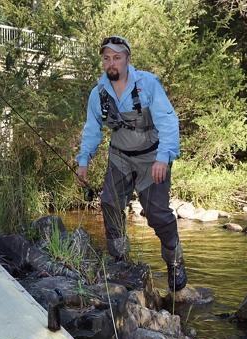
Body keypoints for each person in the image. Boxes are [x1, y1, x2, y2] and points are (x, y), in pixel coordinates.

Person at [76, 36, 188, 291]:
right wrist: (83, 160)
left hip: (152, 158)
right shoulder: (99, 93)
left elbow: (169, 121)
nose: (111, 63)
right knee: (109, 203)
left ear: (127, 59)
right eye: (106, 58)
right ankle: (119, 259)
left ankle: (175, 262)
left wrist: (163, 157)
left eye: (117, 57)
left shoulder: (147, 84)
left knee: (158, 215)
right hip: (119, 157)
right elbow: (92, 128)